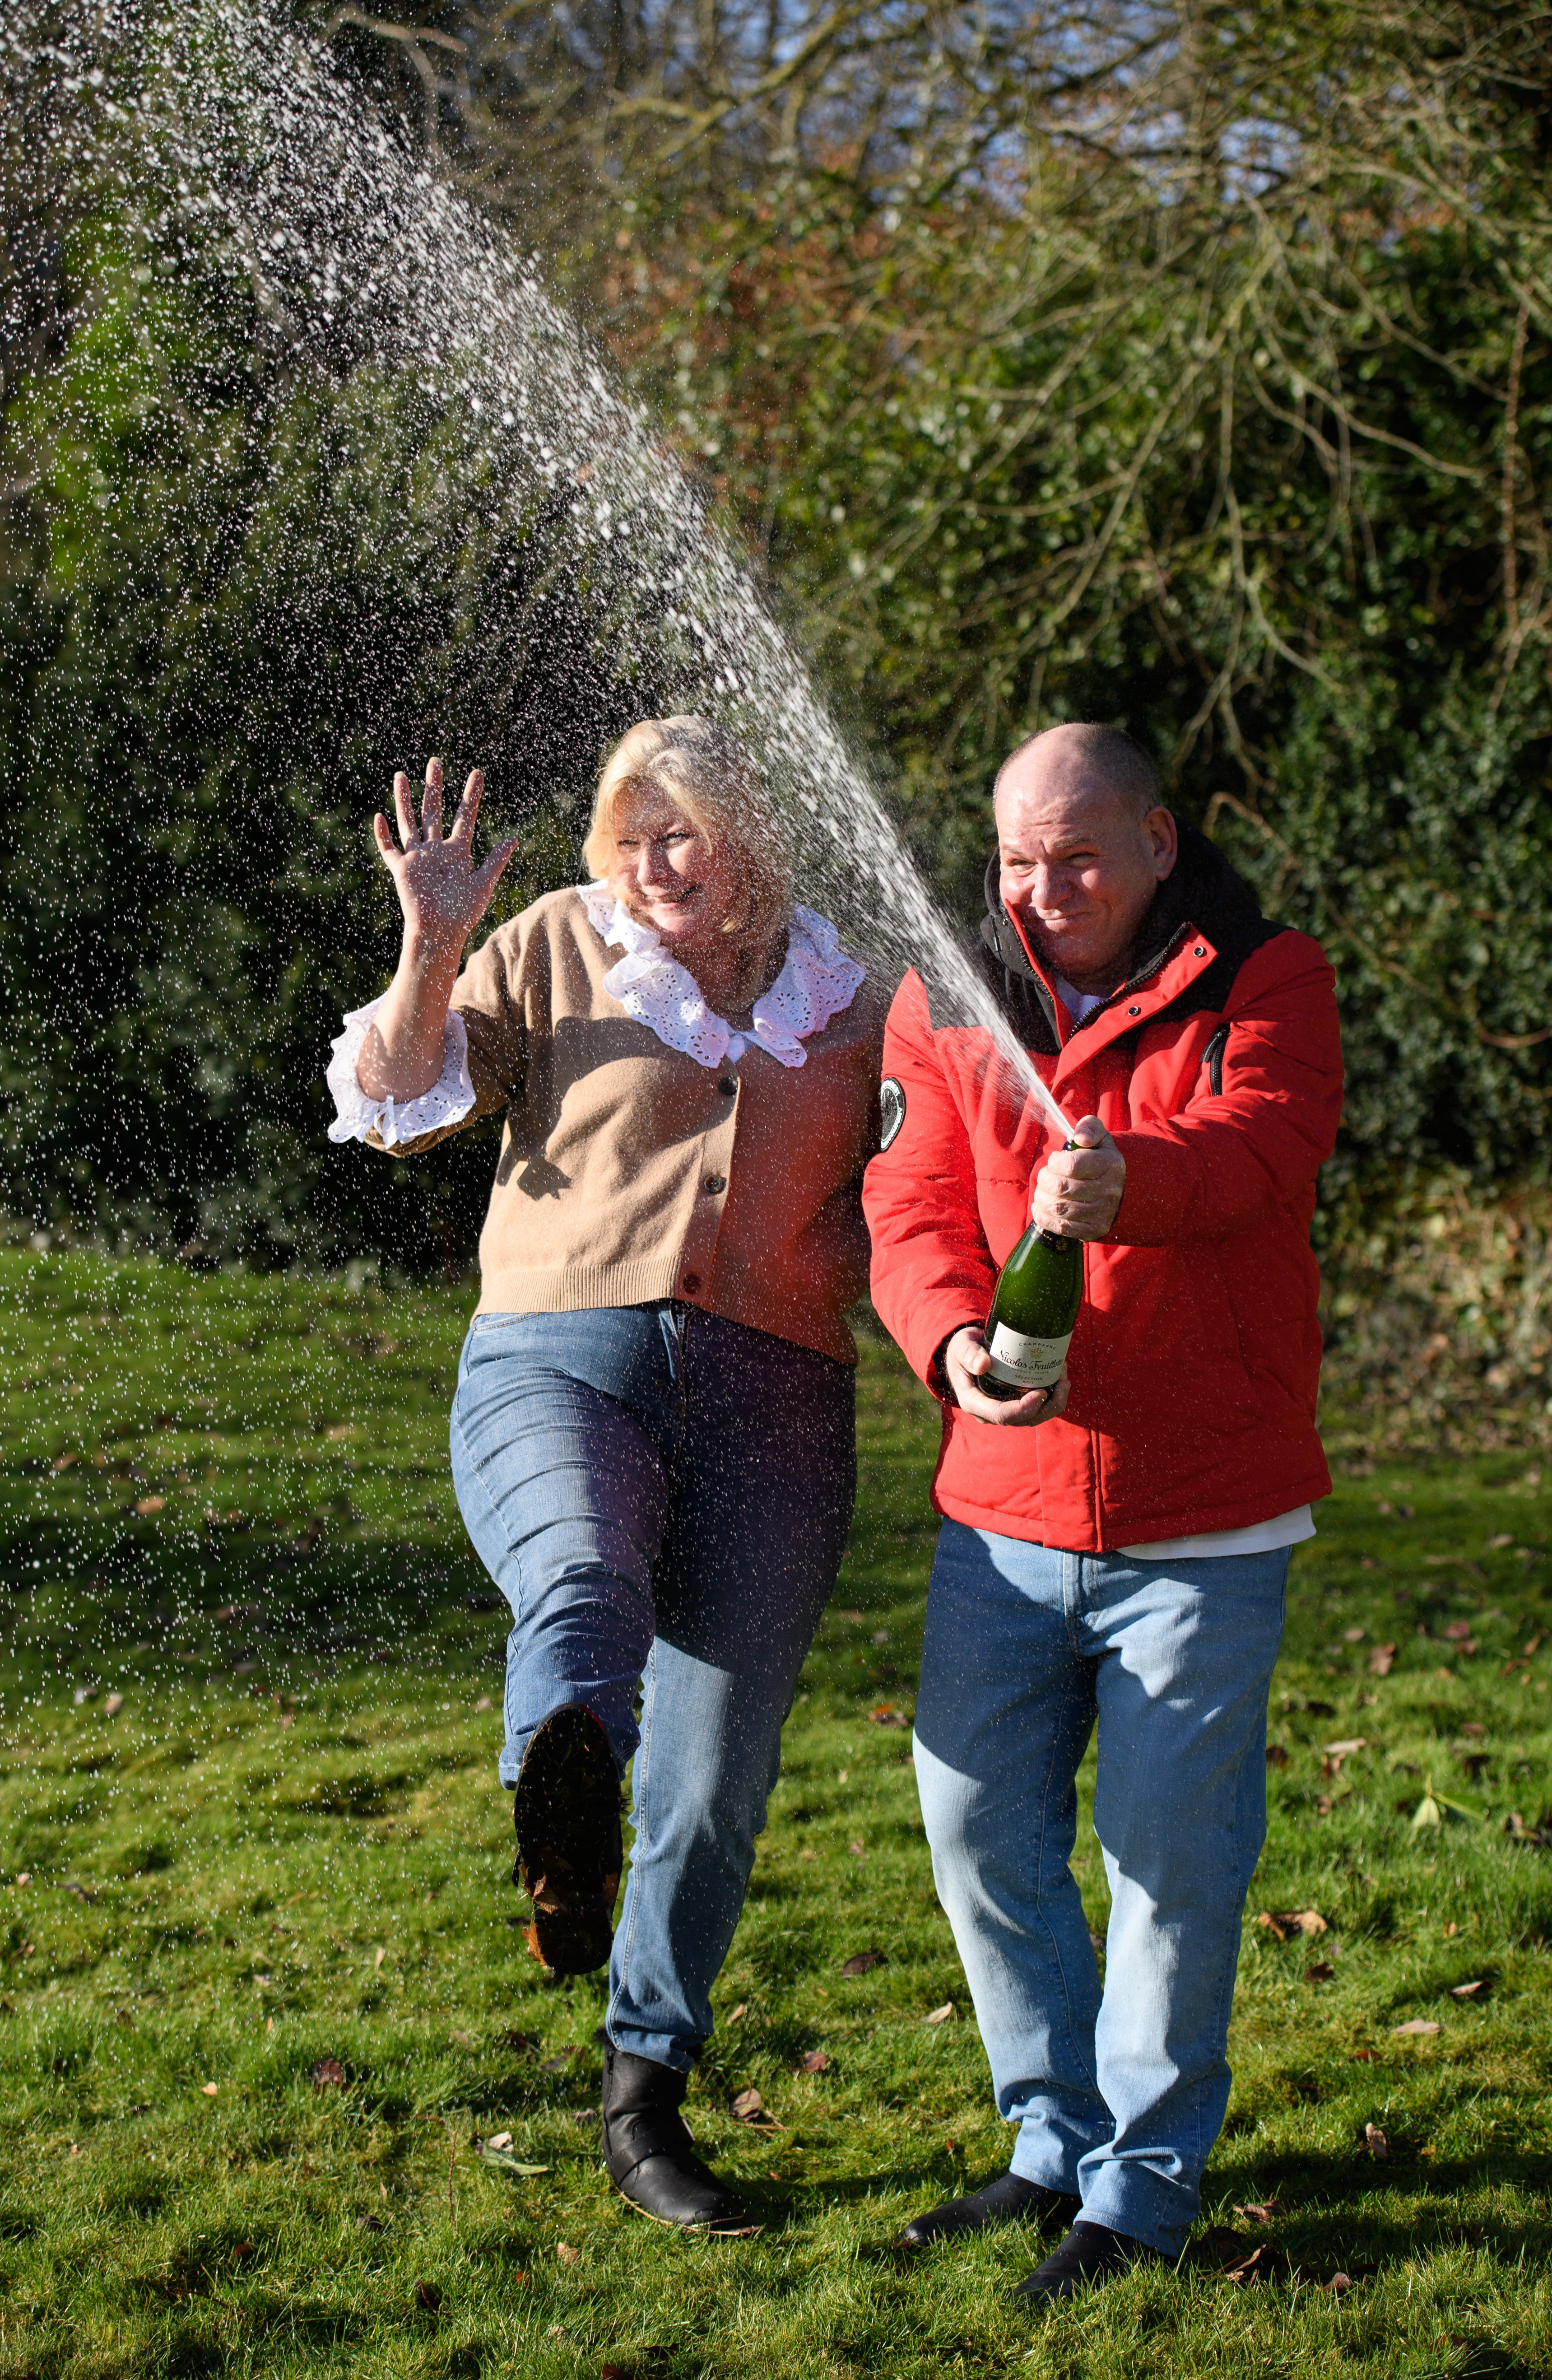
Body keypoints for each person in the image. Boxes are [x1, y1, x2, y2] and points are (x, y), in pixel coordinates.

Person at [325, 717, 885, 2232]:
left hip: (781, 1404)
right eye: (627, 834)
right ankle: (560, 1818)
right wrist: (429, 947)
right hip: (558, 1364)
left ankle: (645, 2101)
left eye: (678, 830)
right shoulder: (554, 945)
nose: (647, 862)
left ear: (756, 837)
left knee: (713, 1780)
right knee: (578, 1579)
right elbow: (396, 1101)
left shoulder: (858, 997)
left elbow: (912, 1196)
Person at [863, 722, 1343, 2302]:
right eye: (1015, 859)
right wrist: (946, 1342)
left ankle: (1138, 2195)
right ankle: (1047, 2144)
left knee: (1166, 1868)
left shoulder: (1266, 976)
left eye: (1074, 855)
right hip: (998, 1518)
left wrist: (1128, 1175)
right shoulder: (947, 992)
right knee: (977, 1836)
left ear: (1155, 840)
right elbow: (911, 1201)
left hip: (1199, 1522)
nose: (1040, 888)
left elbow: (1269, 1143)